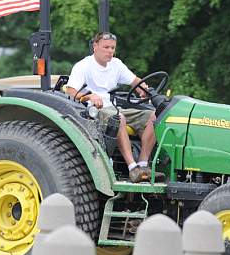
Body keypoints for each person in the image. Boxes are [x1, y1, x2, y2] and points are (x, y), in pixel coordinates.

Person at [65, 32, 164, 183]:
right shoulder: (83, 66)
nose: (110, 51)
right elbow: (71, 91)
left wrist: (143, 90)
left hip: (112, 107)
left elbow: (135, 81)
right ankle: (132, 168)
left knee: (155, 116)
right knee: (118, 118)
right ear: (95, 46)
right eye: (106, 47)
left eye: (112, 48)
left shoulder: (116, 64)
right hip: (93, 111)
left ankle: (143, 165)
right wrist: (90, 96)